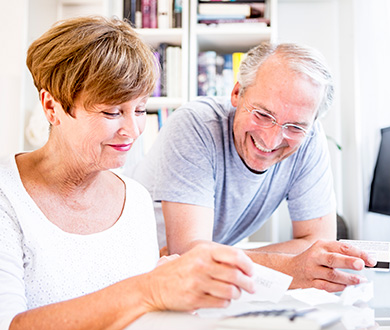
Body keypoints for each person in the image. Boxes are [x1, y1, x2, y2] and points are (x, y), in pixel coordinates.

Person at [0, 16, 256, 330]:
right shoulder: (7, 197)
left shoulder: (134, 198)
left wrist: (171, 302)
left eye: (140, 109)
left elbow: (137, 313)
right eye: (112, 112)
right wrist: (150, 289)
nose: (132, 130)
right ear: (52, 107)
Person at [128, 42, 376, 293]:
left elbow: (318, 243)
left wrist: (212, 255)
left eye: (295, 127)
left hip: (205, 281)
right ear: (237, 93)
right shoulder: (195, 124)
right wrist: (289, 267)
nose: (271, 140)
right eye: (262, 114)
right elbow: (188, 254)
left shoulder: (309, 140)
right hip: (138, 275)